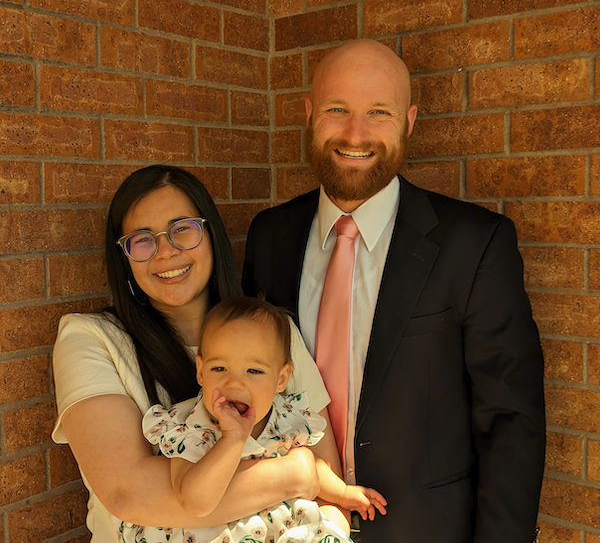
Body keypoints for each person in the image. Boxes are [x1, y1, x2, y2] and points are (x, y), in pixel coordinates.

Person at [242, 39, 546, 543]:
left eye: (378, 112)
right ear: (310, 112)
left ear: (408, 120)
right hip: (290, 526)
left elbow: (510, 420)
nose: (355, 134)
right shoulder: (269, 235)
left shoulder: (474, 244)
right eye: (337, 109)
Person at [51, 165, 343, 542]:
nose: (166, 252)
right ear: (124, 258)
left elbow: (331, 477)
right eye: (142, 240)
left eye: (182, 229)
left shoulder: (275, 331)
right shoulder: (90, 339)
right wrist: (298, 474)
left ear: (211, 235)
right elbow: (130, 493)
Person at [118, 296, 387, 543]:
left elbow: (314, 470)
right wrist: (232, 439)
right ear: (201, 372)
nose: (234, 383)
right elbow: (194, 501)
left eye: (254, 370)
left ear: (281, 379)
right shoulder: (189, 427)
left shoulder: (288, 417)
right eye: (219, 368)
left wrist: (343, 493)